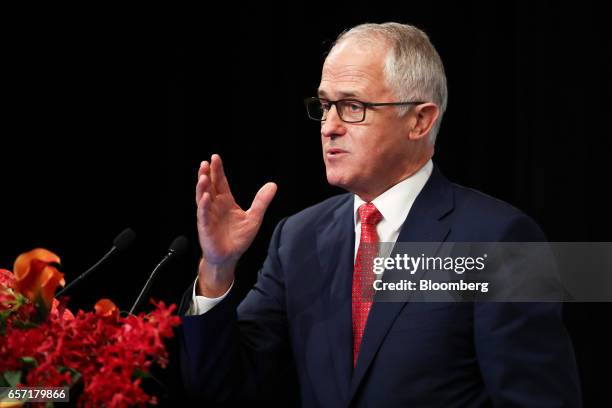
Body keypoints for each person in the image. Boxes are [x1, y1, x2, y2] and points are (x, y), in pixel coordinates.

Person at [180, 22, 581, 406]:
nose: (328, 127)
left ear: (420, 120)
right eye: (324, 106)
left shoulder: (500, 239)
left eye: (352, 106)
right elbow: (223, 387)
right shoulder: (298, 238)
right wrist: (217, 269)